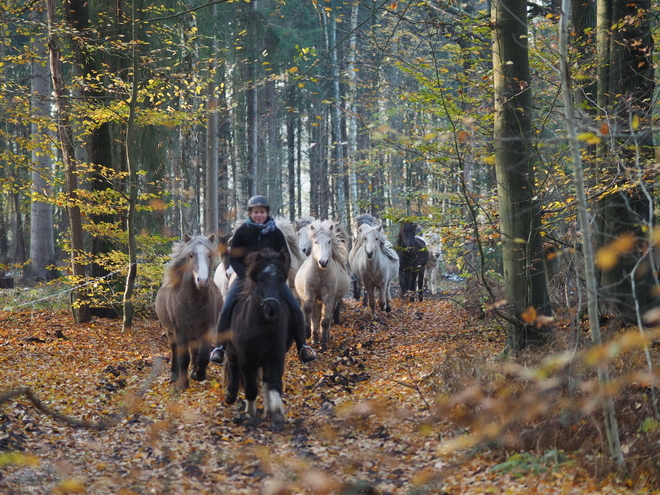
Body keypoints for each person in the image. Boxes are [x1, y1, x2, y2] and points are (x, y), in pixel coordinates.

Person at [210, 195, 317, 365]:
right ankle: (220, 348)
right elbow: (234, 258)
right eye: (255, 212)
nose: (259, 215)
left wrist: (279, 272)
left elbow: (286, 256)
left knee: (295, 307)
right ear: (250, 213)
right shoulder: (242, 232)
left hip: (272, 278)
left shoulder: (276, 233)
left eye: (261, 212)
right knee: (228, 306)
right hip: (246, 276)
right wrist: (244, 273)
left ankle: (302, 347)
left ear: (266, 213)